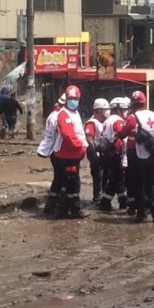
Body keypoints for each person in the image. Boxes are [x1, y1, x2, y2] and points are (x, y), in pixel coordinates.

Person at [118, 90, 154, 223]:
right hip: (153, 153)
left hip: (137, 155)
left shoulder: (132, 117)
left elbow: (123, 133)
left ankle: (141, 214)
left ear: (132, 103)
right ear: (144, 102)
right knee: (151, 184)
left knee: (139, 184)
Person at [52, 85, 89, 219]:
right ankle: (74, 210)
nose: (73, 101)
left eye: (76, 98)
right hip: (67, 155)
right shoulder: (64, 114)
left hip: (72, 155)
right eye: (71, 98)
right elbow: (68, 136)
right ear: (66, 99)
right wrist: (82, 146)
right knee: (72, 184)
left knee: (67, 183)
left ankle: (62, 210)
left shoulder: (74, 113)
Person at [37, 94, 66, 215]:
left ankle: (51, 206)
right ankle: (61, 207)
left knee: (59, 178)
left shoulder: (52, 115)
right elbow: (63, 134)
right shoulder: (59, 116)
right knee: (64, 179)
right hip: (58, 150)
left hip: (52, 150)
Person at [99, 97, 129, 211]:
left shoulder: (107, 121)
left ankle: (122, 200)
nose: (126, 111)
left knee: (118, 179)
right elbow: (123, 138)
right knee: (116, 179)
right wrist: (124, 158)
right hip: (116, 155)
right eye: (124, 109)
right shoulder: (118, 121)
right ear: (118, 109)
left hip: (108, 154)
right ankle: (105, 201)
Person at [85, 98, 110, 202]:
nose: (107, 112)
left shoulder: (104, 122)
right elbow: (89, 137)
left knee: (105, 174)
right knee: (97, 175)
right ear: (99, 110)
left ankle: (103, 195)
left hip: (103, 152)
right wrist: (95, 151)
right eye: (105, 110)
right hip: (95, 153)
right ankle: (97, 197)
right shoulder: (92, 122)